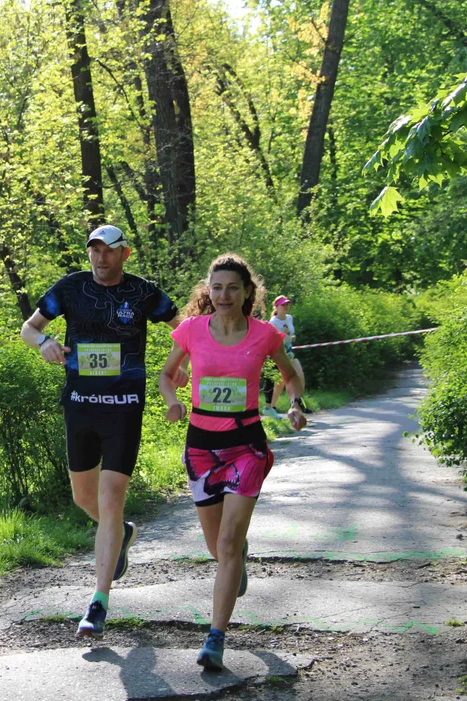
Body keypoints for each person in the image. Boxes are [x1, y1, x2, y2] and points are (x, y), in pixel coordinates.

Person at [21, 224, 182, 640]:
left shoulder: (144, 292)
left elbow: (183, 327)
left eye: (108, 251)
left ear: (124, 254)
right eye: (94, 251)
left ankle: (98, 603)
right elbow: (29, 327)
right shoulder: (70, 288)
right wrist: (43, 344)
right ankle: (123, 534)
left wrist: (178, 363)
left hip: (124, 408)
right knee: (84, 499)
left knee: (111, 500)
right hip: (79, 406)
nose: (100, 258)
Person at [158, 253, 305, 671]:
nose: (224, 295)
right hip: (201, 447)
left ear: (247, 293)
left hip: (247, 446)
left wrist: (294, 403)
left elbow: (289, 373)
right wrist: (172, 402)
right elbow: (166, 374)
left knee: (226, 544)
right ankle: (236, 560)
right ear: (209, 290)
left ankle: (215, 638)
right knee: (217, 548)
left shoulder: (264, 336)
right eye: (217, 287)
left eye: (233, 287)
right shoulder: (190, 331)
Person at [268, 296, 306, 416]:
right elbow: (273, 341)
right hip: (279, 354)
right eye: (283, 305)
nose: (286, 307)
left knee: (300, 377)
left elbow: (290, 335)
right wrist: (283, 336)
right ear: (276, 307)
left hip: (290, 352)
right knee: (280, 383)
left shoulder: (289, 318)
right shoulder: (273, 322)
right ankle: (271, 407)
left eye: (287, 305)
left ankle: (297, 405)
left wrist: (290, 337)